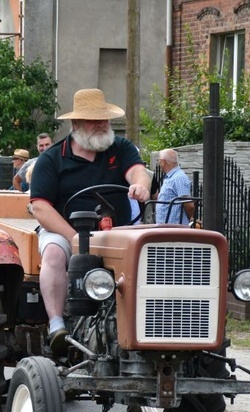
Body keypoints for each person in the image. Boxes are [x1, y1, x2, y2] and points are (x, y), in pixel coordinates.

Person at [29, 88, 150, 354]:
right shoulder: (52, 159)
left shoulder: (121, 148)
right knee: (52, 253)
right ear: (76, 124)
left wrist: (140, 186)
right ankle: (57, 324)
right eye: (94, 120)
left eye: (104, 120)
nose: (101, 125)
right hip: (66, 230)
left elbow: (138, 171)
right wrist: (73, 238)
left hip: (115, 230)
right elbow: (40, 208)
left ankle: (146, 324)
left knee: (149, 252)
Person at [155, 148, 194, 225]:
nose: (159, 163)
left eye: (159, 160)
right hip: (168, 228)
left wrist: (191, 219)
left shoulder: (178, 178)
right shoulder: (171, 177)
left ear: (163, 162)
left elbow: (189, 204)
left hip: (174, 229)